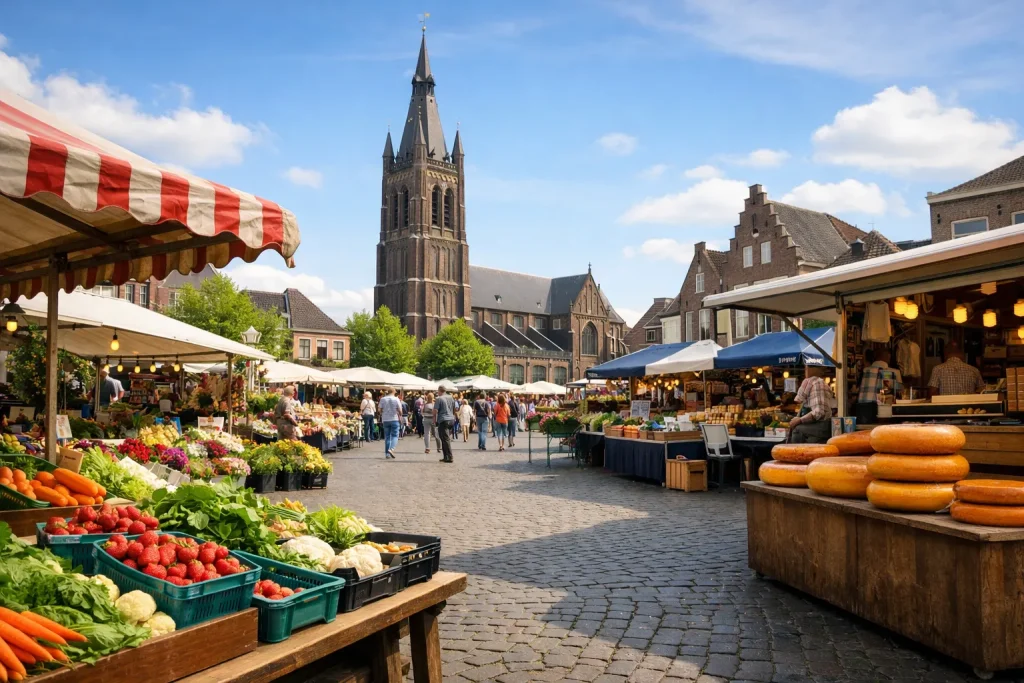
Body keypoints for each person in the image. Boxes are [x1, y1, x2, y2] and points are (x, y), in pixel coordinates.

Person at [856, 348, 904, 424]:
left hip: (864, 408)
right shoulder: (894, 372)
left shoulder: (865, 370)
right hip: (884, 407)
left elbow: (857, 388)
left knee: (865, 429)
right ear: (888, 358)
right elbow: (901, 392)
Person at [789, 366, 835, 444]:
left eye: (810, 366)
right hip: (818, 425)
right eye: (806, 366)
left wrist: (800, 420)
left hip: (822, 426)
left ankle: (796, 451)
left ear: (818, 369)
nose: (806, 369)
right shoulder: (812, 384)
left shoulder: (817, 383)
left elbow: (819, 412)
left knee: (797, 430)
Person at [434, 386, 457, 463]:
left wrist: (434, 420)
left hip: (443, 420)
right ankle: (446, 456)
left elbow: (435, 410)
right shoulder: (451, 397)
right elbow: (454, 408)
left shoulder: (439, 399)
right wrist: (453, 416)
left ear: (439, 390)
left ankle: (450, 456)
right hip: (451, 419)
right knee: (444, 438)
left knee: (445, 439)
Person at [379, 388, 402, 459]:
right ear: (394, 392)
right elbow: (400, 411)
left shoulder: (382, 399)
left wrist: (383, 413)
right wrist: (400, 414)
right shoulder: (396, 399)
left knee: (387, 437)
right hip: (394, 419)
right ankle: (391, 449)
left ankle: (387, 454)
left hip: (385, 419)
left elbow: (379, 410)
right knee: (395, 435)